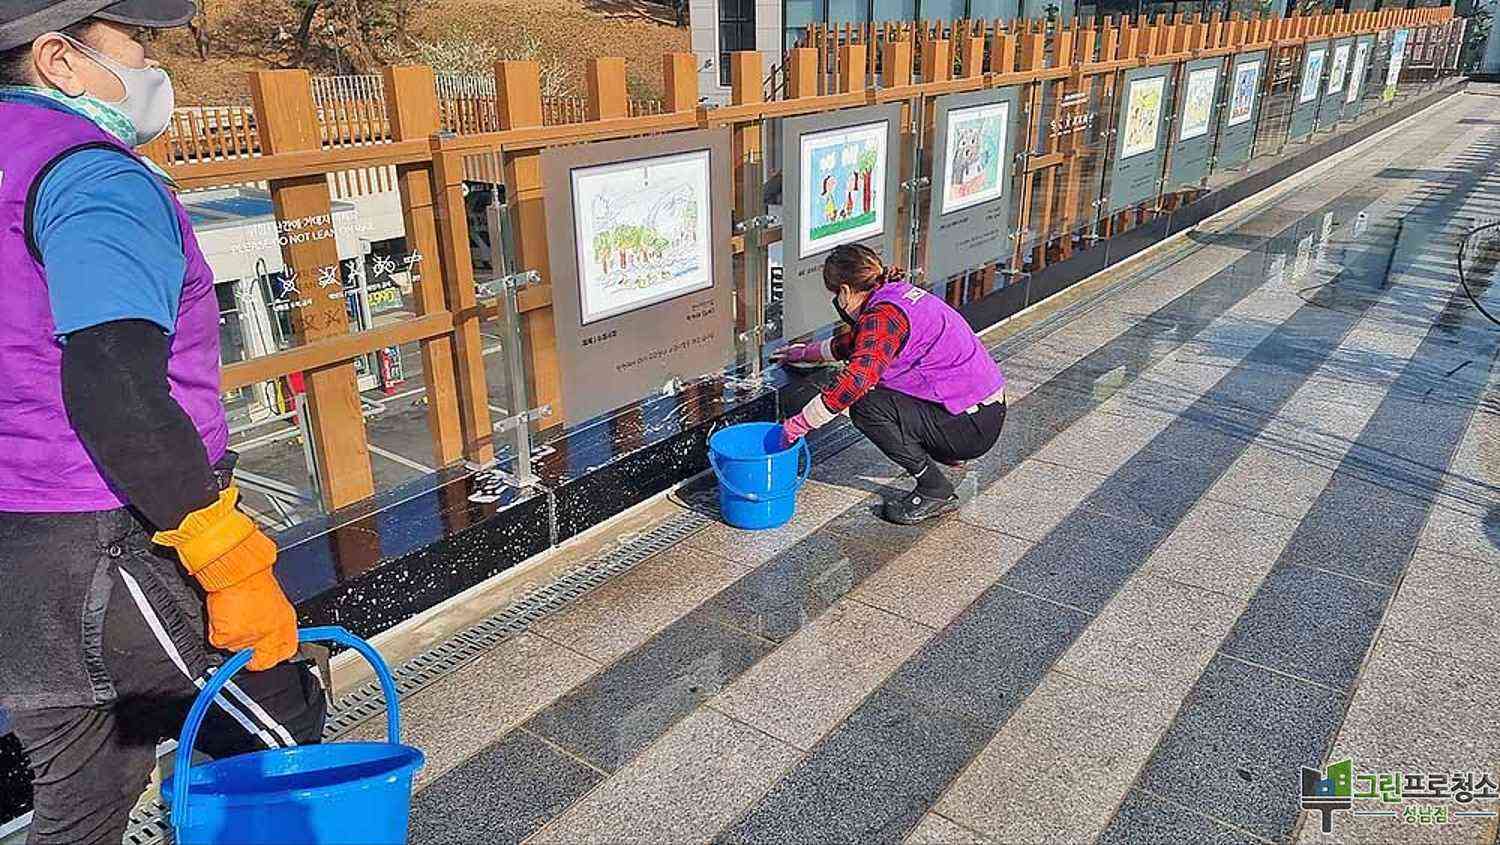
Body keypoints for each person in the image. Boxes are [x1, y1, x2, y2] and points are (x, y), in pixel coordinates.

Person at [0, 4, 326, 842]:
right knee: (278, 732)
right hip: (110, 531)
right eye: (136, 42)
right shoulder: (88, 176)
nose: (152, 64)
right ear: (59, 60)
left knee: (83, 797)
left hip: (17, 546)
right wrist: (227, 561)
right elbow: (113, 378)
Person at [776, 244, 1007, 524]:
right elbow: (861, 344)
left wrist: (799, 424)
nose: (837, 302)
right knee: (882, 389)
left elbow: (857, 380)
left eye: (835, 294)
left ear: (846, 291)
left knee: (865, 405)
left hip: (972, 426)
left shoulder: (883, 316)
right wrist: (805, 353)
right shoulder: (893, 295)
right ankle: (945, 449)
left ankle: (935, 488)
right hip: (982, 409)